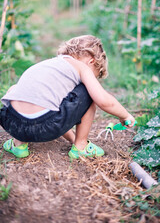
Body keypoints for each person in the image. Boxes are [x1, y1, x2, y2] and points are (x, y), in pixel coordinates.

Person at [0, 35, 135, 159]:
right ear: (92, 61)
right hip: (44, 125)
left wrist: (72, 138)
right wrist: (125, 115)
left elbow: (57, 108)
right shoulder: (82, 67)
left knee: (15, 90)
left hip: (12, 123)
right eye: (96, 74)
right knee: (89, 91)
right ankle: (81, 147)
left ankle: (18, 145)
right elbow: (103, 101)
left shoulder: (49, 65)